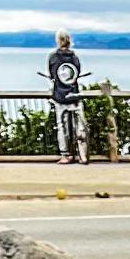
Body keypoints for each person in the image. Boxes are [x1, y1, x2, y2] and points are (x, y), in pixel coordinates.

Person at [48, 30, 86, 164]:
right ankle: (82, 153)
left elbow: (53, 75)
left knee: (61, 125)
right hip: (74, 94)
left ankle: (65, 154)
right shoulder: (75, 58)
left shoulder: (53, 57)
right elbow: (77, 73)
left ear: (58, 41)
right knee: (80, 124)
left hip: (60, 95)